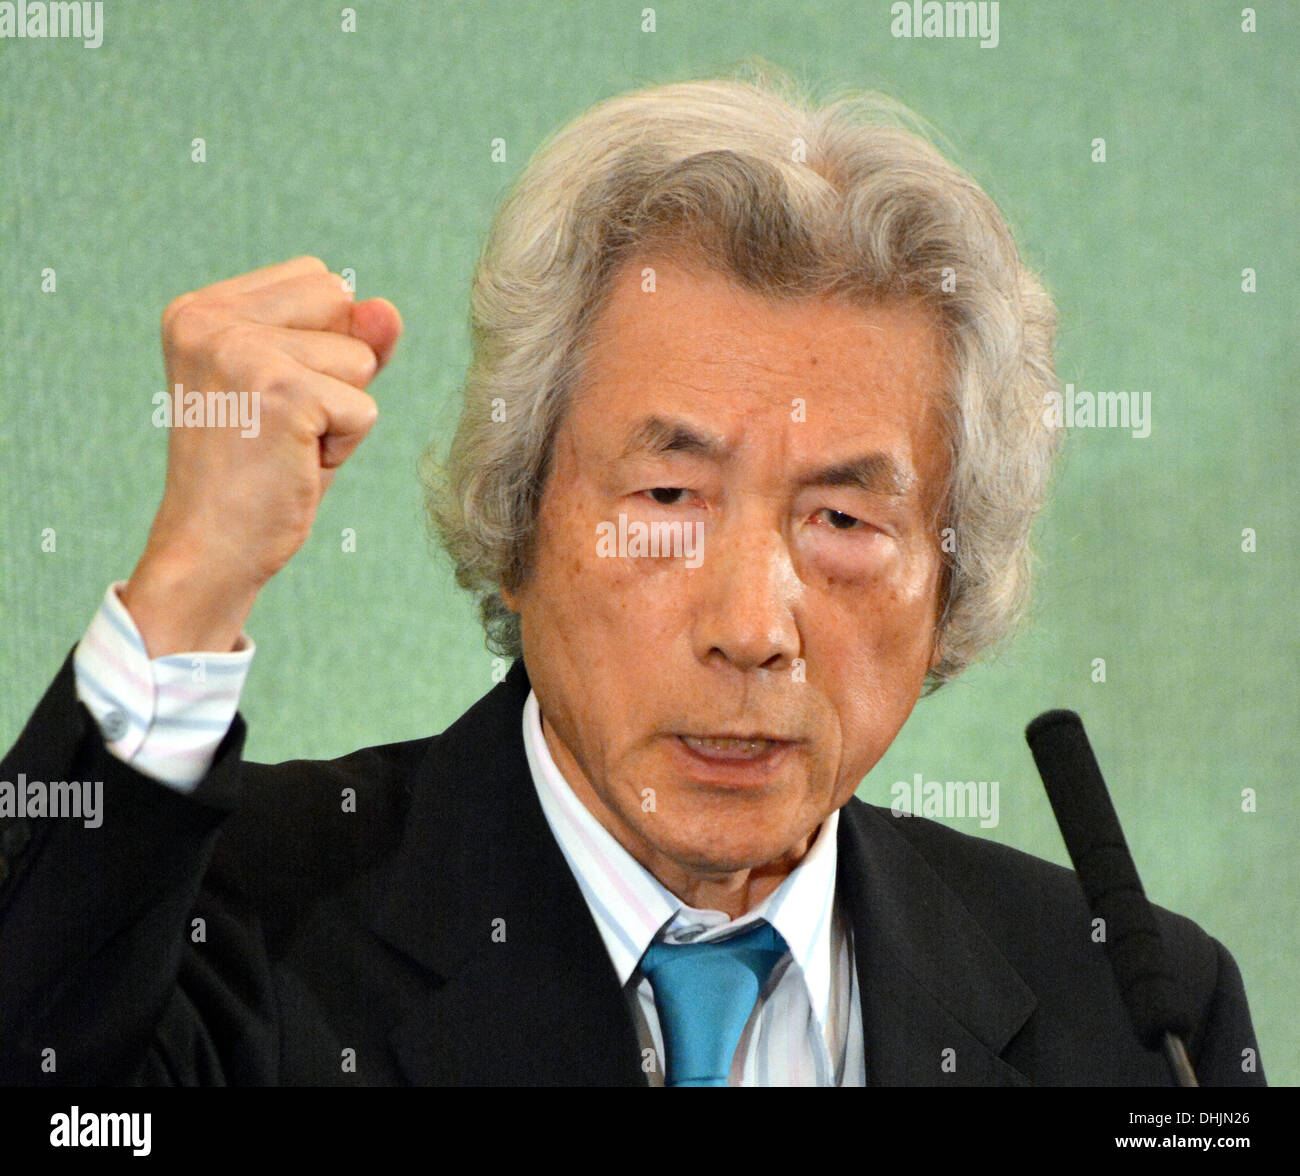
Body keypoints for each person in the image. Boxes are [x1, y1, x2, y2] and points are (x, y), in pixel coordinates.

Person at [0, 76, 1264, 1086]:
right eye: (667, 500)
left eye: (841, 517)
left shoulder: (1137, 1019)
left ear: (948, 580)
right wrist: (193, 579)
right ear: (519, 518)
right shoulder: (233, 921)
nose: (752, 628)